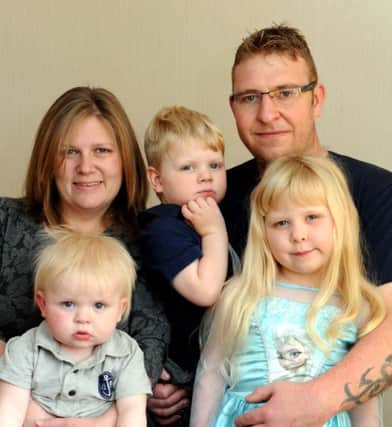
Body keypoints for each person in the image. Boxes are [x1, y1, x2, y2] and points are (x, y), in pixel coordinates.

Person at [148, 25, 392, 426]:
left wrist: (316, 399)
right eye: (250, 98)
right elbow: (150, 288)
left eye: (285, 92)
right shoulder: (210, 196)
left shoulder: (378, 192)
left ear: (317, 99)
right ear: (233, 108)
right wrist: (151, 372)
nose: (266, 113)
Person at [0, 86, 169, 427]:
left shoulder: (152, 236)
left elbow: (155, 339)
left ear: (125, 159)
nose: (86, 166)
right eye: (70, 152)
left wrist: (100, 420)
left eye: (102, 151)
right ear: (48, 160)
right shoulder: (5, 221)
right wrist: (29, 404)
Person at [190, 154, 385, 426]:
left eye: (312, 217)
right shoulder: (240, 296)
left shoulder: (357, 306)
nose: (298, 234)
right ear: (263, 231)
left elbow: (364, 400)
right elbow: (210, 375)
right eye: (282, 223)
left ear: (339, 221)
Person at [140, 106, 240, 425]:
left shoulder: (197, 220)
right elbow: (206, 290)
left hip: (210, 368)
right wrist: (214, 230)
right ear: (157, 179)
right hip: (177, 376)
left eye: (215, 164)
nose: (205, 175)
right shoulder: (163, 227)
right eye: (188, 167)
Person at [0, 229, 151, 426]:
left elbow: (132, 412)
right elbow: (10, 409)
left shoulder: (127, 353)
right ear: (43, 304)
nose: (82, 318)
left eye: (99, 305)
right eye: (68, 304)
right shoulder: (25, 348)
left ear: (120, 310)